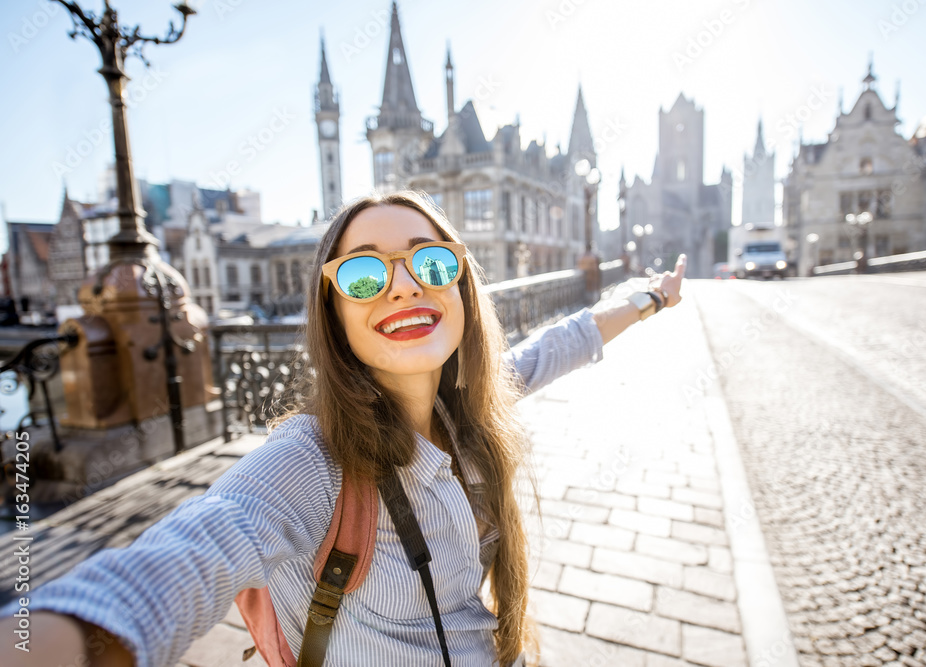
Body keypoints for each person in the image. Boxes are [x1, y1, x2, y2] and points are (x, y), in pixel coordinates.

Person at [0, 191, 685, 667]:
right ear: (333, 314)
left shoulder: (470, 406)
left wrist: (649, 299)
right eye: (363, 273)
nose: (404, 284)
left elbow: (556, 345)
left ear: (462, 287)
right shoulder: (312, 459)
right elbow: (179, 559)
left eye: (432, 261)